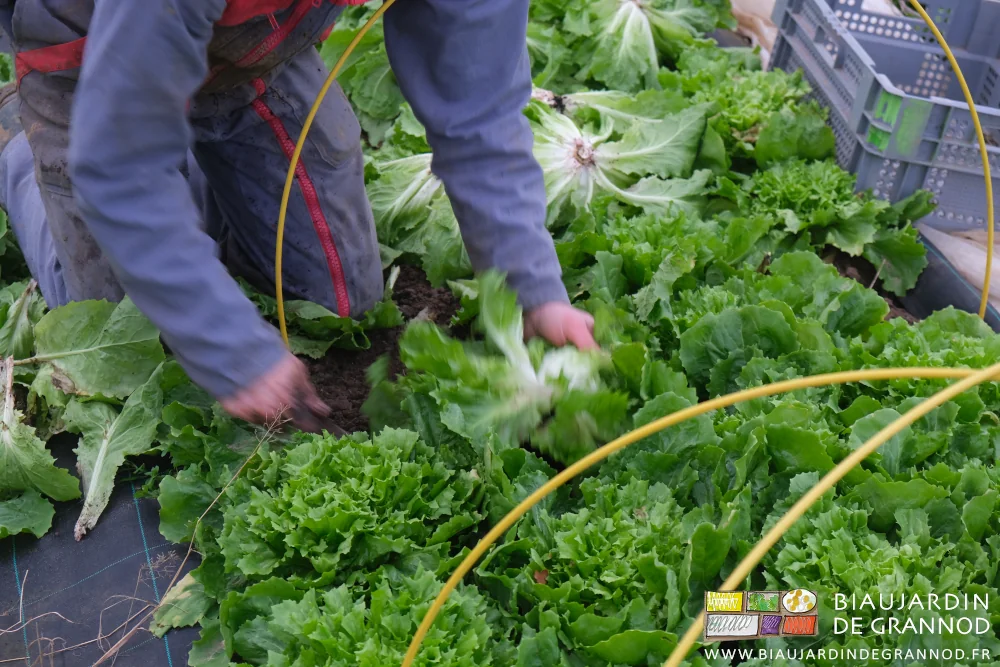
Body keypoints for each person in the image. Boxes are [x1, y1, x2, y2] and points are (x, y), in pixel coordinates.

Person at [0, 0, 597, 429]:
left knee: (335, 305)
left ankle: (175, 149)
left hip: (253, 49)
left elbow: (480, 114)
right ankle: (19, 148)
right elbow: (120, 166)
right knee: (128, 341)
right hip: (80, 56)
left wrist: (533, 288)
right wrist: (232, 348)